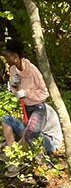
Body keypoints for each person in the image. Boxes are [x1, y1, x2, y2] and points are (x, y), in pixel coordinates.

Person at [2, 39, 56, 174]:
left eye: (8, 56)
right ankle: (11, 149)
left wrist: (26, 92)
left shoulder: (33, 70)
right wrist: (14, 85)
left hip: (38, 109)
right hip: (27, 109)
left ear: (15, 57)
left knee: (30, 132)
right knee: (5, 119)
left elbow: (44, 93)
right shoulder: (13, 69)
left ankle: (14, 159)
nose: (6, 60)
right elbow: (15, 91)